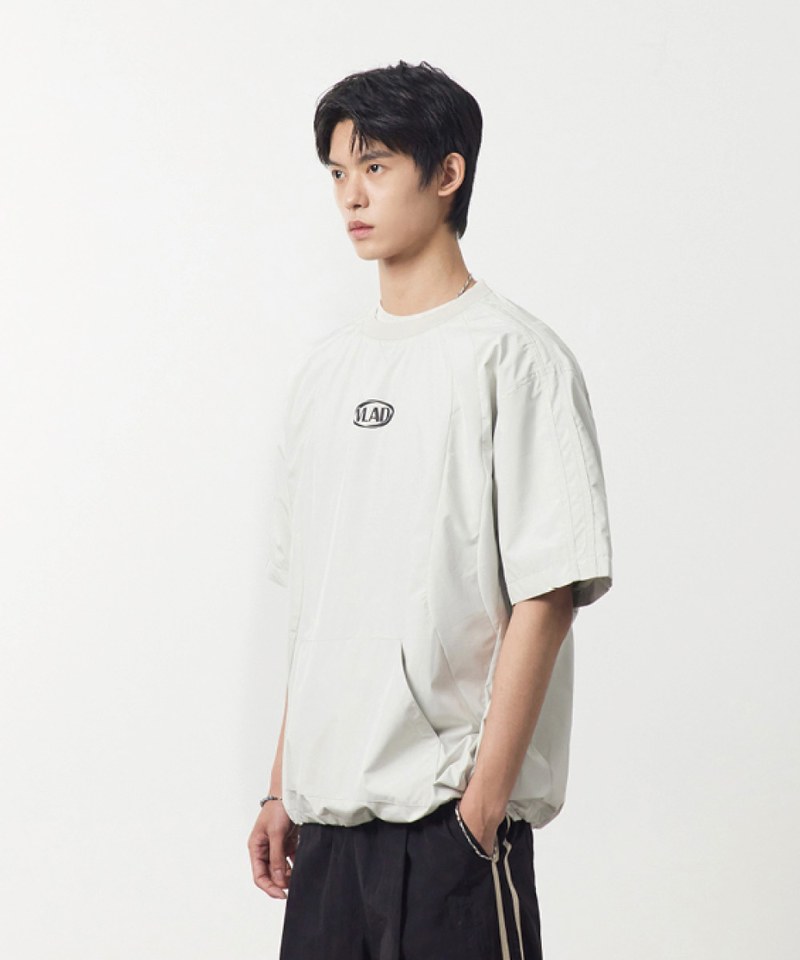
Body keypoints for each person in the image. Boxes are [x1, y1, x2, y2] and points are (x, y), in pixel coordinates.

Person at [247, 59, 614, 960]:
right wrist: (282, 786)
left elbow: (548, 591)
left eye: (376, 166)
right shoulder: (325, 374)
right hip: (326, 829)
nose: (351, 195)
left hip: (448, 826)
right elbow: (316, 609)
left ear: (447, 173)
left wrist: (480, 812)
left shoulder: (514, 359)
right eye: (338, 171)